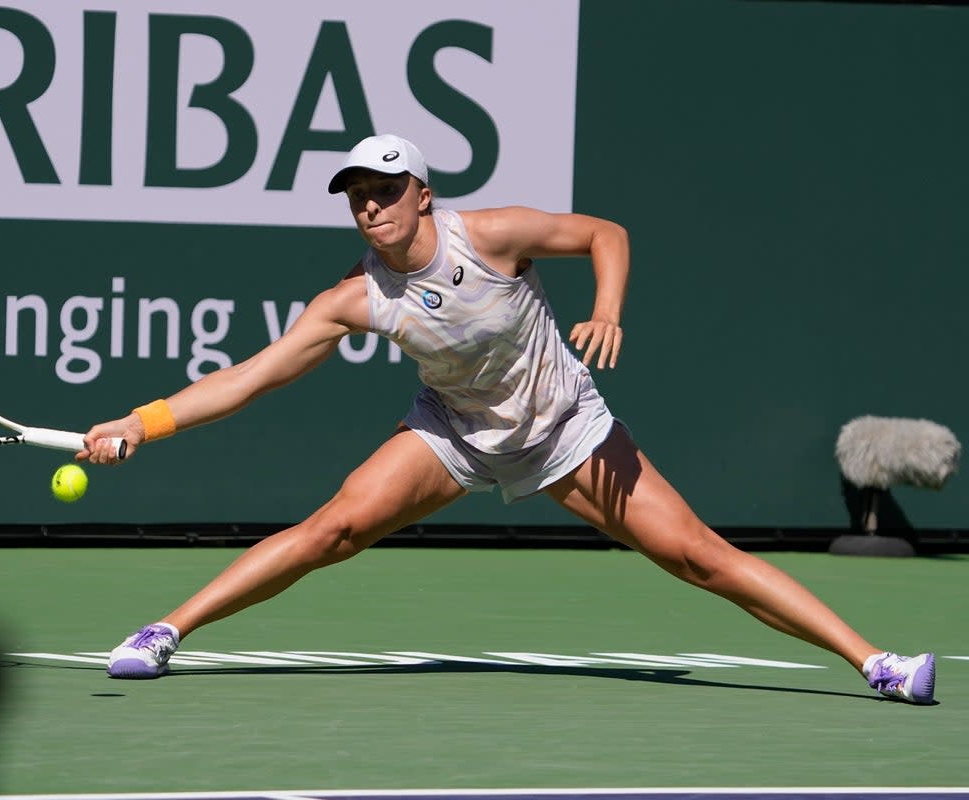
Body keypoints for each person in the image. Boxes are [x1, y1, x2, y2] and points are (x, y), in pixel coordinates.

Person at [77, 133, 936, 704]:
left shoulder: (489, 235)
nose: (370, 207)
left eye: (384, 190)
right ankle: (163, 631)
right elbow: (249, 379)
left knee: (696, 557)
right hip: (453, 430)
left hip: (565, 426)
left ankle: (878, 664)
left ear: (421, 193)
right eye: (356, 196)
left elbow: (607, 232)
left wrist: (607, 309)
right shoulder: (351, 300)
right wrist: (141, 423)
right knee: (334, 527)